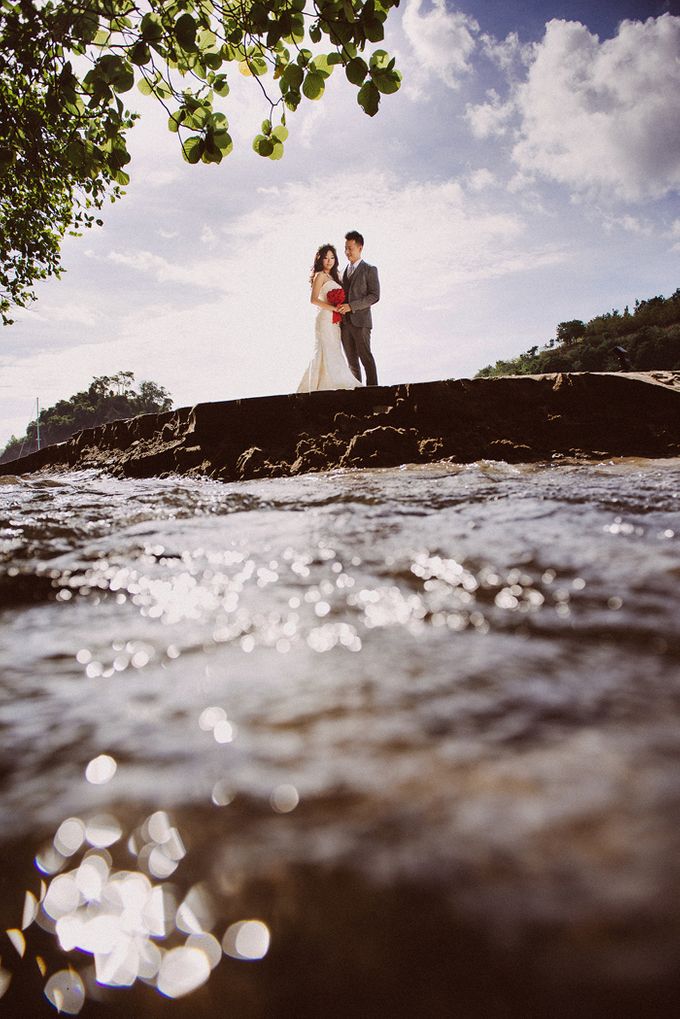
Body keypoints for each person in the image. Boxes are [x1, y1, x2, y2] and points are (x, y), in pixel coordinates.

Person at [297, 244, 363, 393]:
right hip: (325, 318)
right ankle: (320, 384)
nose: (329, 261)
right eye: (326, 258)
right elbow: (313, 300)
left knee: (334, 349)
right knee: (325, 348)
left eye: (332, 257)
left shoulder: (335, 277)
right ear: (320, 260)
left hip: (335, 320)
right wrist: (334, 308)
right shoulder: (320, 275)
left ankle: (336, 380)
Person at [336, 230, 380, 386]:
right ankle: (357, 395)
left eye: (350, 248)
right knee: (352, 364)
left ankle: (374, 392)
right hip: (344, 324)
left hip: (361, 322)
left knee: (366, 358)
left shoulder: (370, 269)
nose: (347, 252)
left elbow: (374, 296)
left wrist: (351, 306)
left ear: (360, 247)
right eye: (345, 248)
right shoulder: (341, 274)